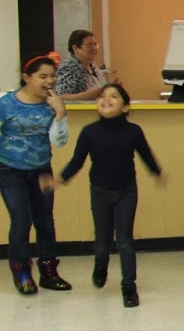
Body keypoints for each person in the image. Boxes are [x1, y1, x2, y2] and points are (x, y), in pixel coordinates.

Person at [58, 83, 164, 307]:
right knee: (103, 240)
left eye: (113, 97)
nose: (106, 100)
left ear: (125, 107)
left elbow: (146, 154)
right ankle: (100, 265)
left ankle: (128, 286)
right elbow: (77, 161)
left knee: (124, 239)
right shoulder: (90, 132)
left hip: (127, 190)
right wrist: (61, 178)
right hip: (100, 192)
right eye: (102, 97)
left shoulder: (133, 131)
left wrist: (157, 172)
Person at [1, 55, 71, 294]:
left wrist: (60, 113)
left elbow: (59, 142)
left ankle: (49, 272)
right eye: (43, 76)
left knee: (45, 221)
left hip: (41, 169)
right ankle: (21, 272)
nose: (49, 81)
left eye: (53, 76)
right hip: (10, 170)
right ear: (27, 78)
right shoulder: (5, 103)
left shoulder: (51, 105)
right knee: (21, 219)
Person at [54, 30, 114, 102]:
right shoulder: (69, 68)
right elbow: (59, 97)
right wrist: (85, 96)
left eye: (95, 44)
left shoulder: (93, 66)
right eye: (89, 45)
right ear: (75, 48)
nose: (94, 48)